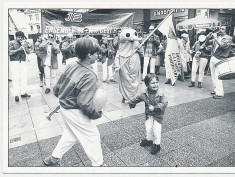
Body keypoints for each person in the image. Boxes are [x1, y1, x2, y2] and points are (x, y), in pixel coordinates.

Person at [43, 37, 104, 167]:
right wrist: (95, 114)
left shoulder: (72, 65)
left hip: (65, 108)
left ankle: (53, 159)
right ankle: (98, 165)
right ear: (89, 55)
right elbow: (84, 103)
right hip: (75, 111)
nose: (98, 55)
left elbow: (56, 89)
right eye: (96, 53)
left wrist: (67, 95)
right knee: (92, 136)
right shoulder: (89, 75)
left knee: (71, 133)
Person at [125, 74, 168, 155]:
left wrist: (155, 108)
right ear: (147, 84)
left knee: (156, 130)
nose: (155, 84)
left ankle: (157, 145)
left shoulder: (161, 93)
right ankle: (149, 140)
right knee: (148, 127)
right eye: (152, 83)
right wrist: (130, 102)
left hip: (158, 116)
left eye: (156, 82)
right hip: (149, 114)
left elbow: (164, 103)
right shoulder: (144, 93)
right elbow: (137, 98)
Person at [114, 28, 143, 103]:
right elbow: (118, 55)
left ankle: (134, 96)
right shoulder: (122, 47)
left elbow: (142, 53)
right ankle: (126, 96)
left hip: (135, 64)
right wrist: (117, 66)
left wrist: (139, 50)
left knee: (135, 80)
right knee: (125, 80)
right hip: (124, 67)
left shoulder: (136, 45)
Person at [209, 26, 232, 99]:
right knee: (213, 75)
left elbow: (223, 46)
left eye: (223, 29)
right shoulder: (218, 37)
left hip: (220, 58)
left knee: (218, 75)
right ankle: (216, 89)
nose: (220, 30)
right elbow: (207, 43)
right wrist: (208, 37)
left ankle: (220, 93)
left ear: (226, 30)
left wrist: (215, 38)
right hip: (214, 57)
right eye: (220, 29)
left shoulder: (228, 38)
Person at [9, 31, 31, 102]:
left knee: (24, 78)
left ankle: (23, 93)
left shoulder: (24, 43)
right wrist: (19, 49)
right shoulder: (11, 43)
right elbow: (9, 53)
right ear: (16, 37)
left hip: (23, 62)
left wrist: (26, 46)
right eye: (19, 37)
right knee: (15, 78)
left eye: (21, 37)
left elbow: (28, 52)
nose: (20, 39)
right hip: (14, 62)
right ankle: (16, 95)